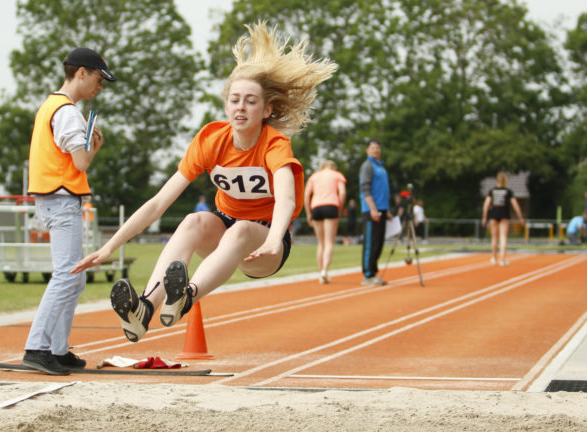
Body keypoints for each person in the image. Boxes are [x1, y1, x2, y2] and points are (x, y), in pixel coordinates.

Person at [71, 22, 336, 343]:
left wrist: (274, 238)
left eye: (250, 101)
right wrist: (110, 246)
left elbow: (286, 200)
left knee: (241, 230)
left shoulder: (274, 144)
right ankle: (145, 308)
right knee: (193, 220)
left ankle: (186, 296)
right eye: (235, 99)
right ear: (226, 105)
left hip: (267, 242)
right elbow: (158, 203)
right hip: (223, 231)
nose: (241, 107)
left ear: (267, 109)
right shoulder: (211, 139)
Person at [22, 47, 115, 375]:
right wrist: (95, 147)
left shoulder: (52, 105)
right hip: (61, 199)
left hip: (53, 198)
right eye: (99, 79)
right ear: (81, 73)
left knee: (74, 278)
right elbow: (81, 162)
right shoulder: (67, 111)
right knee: (67, 275)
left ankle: (57, 349)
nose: (100, 86)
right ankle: (38, 347)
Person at [304, 160, 346, 284]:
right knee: (329, 242)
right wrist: (340, 208)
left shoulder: (314, 176)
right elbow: (342, 193)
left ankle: (320, 271)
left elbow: (306, 195)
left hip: (316, 206)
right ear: (333, 167)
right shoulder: (337, 175)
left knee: (321, 243)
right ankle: (325, 271)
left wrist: (308, 213)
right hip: (331, 205)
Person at [359, 140, 391, 286]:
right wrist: (372, 208)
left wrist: (386, 210)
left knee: (379, 242)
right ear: (367, 150)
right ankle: (368, 274)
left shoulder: (381, 167)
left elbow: (383, 190)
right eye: (373, 148)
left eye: (378, 147)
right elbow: (365, 188)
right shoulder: (367, 166)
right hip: (371, 209)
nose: (376, 150)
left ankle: (373, 272)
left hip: (382, 209)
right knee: (370, 243)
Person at [481, 172, 525, 266]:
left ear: (497, 180)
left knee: (494, 237)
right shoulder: (508, 191)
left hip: (493, 215)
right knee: (503, 237)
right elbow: (515, 205)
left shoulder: (492, 191)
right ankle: (503, 259)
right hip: (504, 215)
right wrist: (520, 217)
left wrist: (484, 217)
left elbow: (486, 205)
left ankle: (494, 258)